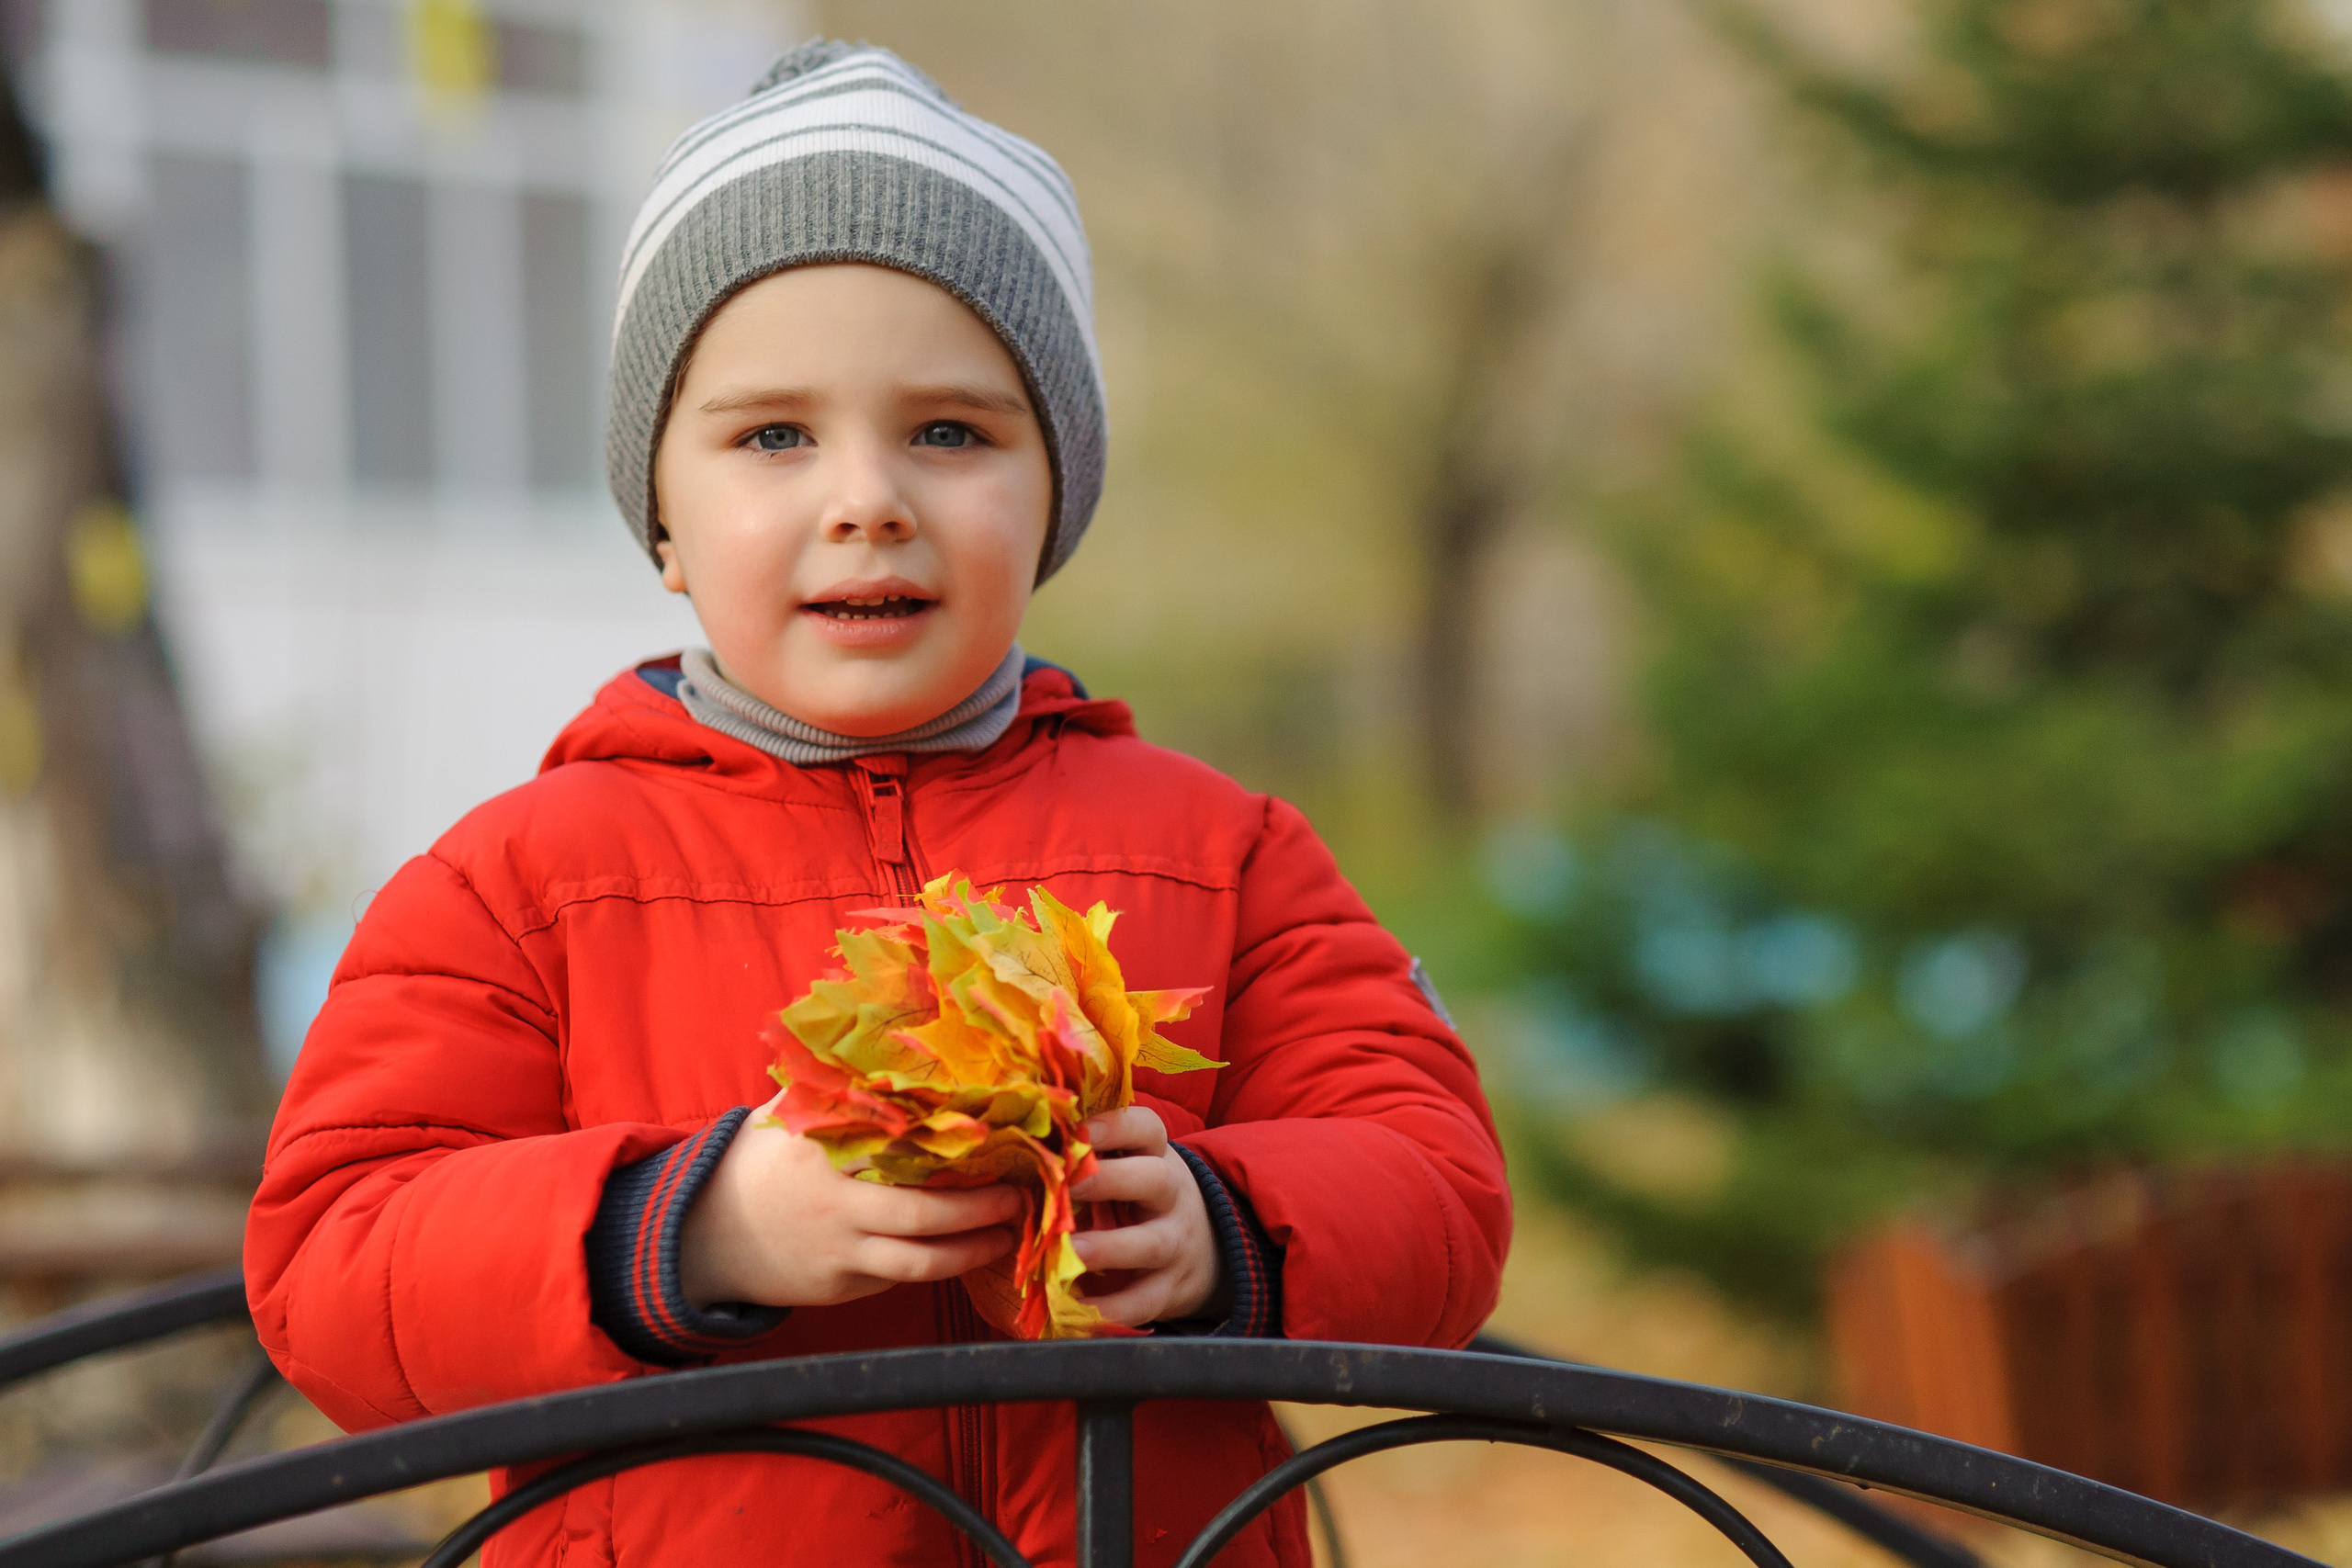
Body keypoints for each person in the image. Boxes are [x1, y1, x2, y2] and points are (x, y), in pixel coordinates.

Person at [244, 39, 1510, 1568]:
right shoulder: (521, 882)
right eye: (774, 435)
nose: (868, 497)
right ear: (662, 520)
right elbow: (331, 1264)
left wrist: (1220, 1223)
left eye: (951, 432)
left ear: (1054, 501)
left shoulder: (1220, 850)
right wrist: (692, 1227)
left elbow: (1438, 1184)